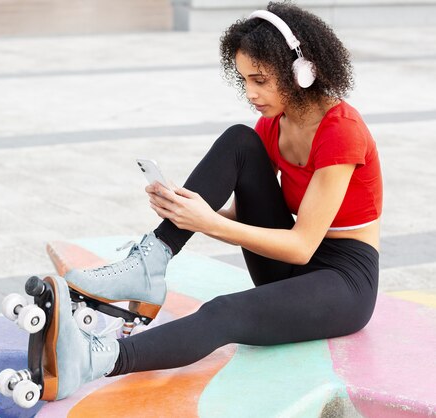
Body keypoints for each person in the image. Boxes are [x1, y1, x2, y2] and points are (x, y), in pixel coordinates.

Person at [40, 1, 382, 401]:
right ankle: (151, 262)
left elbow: (303, 246)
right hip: (290, 266)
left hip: (343, 282)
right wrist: (186, 211)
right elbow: (247, 218)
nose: (251, 93)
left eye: (260, 80)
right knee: (240, 140)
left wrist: (206, 222)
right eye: (244, 81)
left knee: (224, 312)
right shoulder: (273, 125)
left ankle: (96, 359)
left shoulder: (342, 132)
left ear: (301, 71)